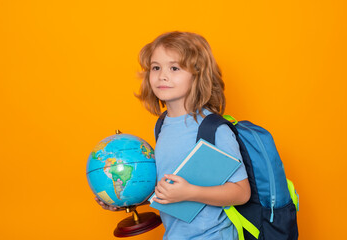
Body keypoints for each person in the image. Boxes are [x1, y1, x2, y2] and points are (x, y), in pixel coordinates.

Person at [96, 31, 251, 240]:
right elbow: (168, 188)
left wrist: (191, 192)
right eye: (156, 67)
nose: (162, 75)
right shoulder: (162, 125)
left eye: (174, 68)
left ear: (197, 74)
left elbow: (241, 193)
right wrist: (125, 198)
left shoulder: (214, 129)